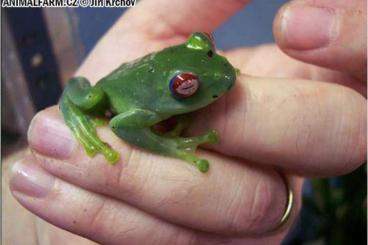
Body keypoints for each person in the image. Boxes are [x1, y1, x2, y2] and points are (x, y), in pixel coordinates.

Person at [4, 0, 366, 244]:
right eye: (187, 85)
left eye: (208, 46)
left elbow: (205, 64)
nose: (218, 70)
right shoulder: (141, 108)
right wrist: (170, 146)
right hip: (109, 93)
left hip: (144, 80)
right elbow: (120, 126)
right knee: (88, 98)